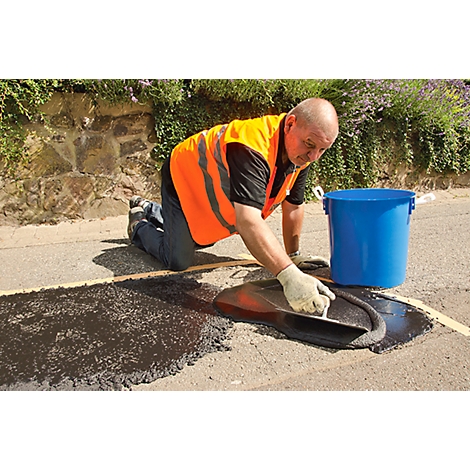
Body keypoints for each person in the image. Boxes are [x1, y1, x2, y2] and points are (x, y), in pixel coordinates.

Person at [127, 97, 339, 315]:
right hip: (182, 176)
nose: (314, 156)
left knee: (202, 237)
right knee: (178, 259)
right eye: (310, 145)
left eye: (323, 150)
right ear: (290, 124)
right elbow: (248, 221)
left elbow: (293, 205)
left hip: (202, 194)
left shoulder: (299, 154)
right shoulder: (252, 147)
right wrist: (288, 275)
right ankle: (139, 224)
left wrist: (293, 255)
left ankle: (152, 209)